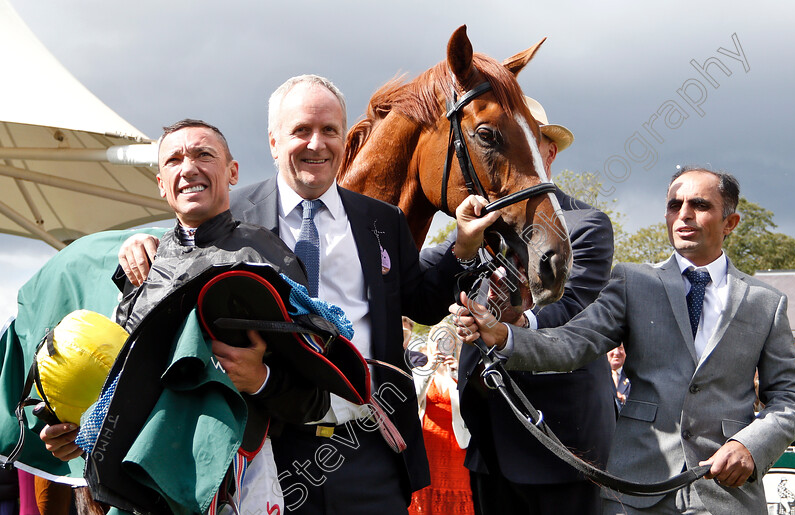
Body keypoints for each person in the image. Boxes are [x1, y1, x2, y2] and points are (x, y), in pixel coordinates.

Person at [116, 75, 498, 514]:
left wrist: (463, 248)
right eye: (301, 131)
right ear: (274, 142)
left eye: (329, 130)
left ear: (343, 139)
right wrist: (135, 244)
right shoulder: (229, 211)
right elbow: (179, 251)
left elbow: (423, 303)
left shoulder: (383, 221)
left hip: (368, 450)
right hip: (263, 451)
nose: (316, 143)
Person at [453, 167, 795, 514]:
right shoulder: (632, 281)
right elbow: (571, 344)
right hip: (636, 491)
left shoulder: (765, 301)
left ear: (730, 222)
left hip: (725, 492)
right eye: (674, 205)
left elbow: (790, 397)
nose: (684, 215)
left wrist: (750, 445)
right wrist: (503, 336)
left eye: (700, 205)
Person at [41, 119, 330, 512]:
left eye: (203, 155)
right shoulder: (140, 265)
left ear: (232, 172)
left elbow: (316, 399)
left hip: (237, 488)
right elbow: (115, 390)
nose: (188, 168)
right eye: (174, 160)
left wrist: (259, 379)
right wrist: (76, 431)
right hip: (135, 491)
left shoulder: (268, 260)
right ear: (162, 184)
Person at [421, 96, 615, 515]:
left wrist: (514, 322)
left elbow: (571, 312)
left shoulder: (586, 224)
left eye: (528, 143)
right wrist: (462, 245)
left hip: (560, 439)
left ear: (548, 152)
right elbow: (421, 282)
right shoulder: (480, 224)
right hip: (488, 437)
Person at [410, 319, 473, 515]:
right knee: (424, 496)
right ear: (430, 343)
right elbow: (414, 399)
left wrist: (458, 375)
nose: (442, 345)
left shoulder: (462, 372)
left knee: (456, 495)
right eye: (437, 340)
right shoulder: (420, 370)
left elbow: (470, 406)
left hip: (456, 445)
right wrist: (430, 368)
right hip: (428, 444)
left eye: (447, 340)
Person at [607, 343, 630, 412]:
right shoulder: (598, 376)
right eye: (612, 348)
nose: (616, 352)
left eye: (620, 348)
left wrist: (624, 399)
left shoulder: (632, 375)